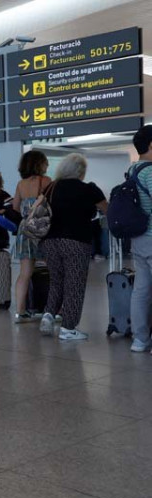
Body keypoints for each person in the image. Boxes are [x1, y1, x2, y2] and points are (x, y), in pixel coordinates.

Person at [38, 154, 108, 341]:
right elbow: (107, 210)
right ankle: (68, 328)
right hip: (76, 241)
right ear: (80, 171)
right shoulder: (89, 189)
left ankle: (48, 315)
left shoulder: (51, 187)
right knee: (74, 284)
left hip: (50, 240)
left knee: (56, 280)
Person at [11, 151, 53, 323]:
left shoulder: (21, 184)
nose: (47, 165)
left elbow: (15, 207)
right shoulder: (46, 181)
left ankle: (20, 312)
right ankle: (53, 310)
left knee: (24, 273)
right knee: (53, 271)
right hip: (43, 229)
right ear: (39, 164)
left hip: (25, 229)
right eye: (45, 162)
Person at [129, 125, 152, 352]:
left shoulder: (133, 169)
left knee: (142, 290)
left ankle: (140, 340)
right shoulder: (151, 171)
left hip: (138, 238)